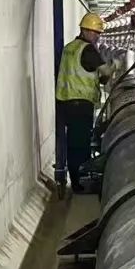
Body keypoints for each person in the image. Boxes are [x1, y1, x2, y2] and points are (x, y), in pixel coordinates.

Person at [56, 12, 112, 192]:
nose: (97, 37)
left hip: (65, 102)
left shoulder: (69, 47)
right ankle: (79, 183)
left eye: (98, 33)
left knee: (73, 143)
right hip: (81, 104)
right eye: (95, 32)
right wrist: (115, 66)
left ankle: (76, 178)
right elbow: (105, 72)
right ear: (85, 30)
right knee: (80, 144)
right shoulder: (87, 49)